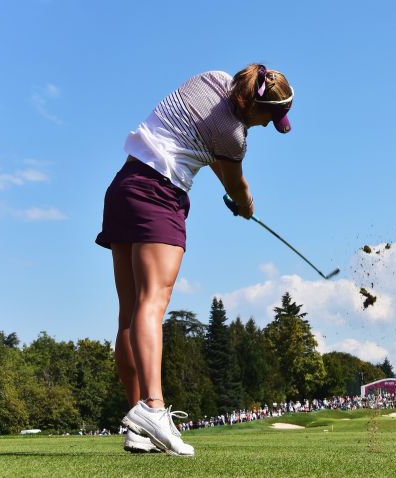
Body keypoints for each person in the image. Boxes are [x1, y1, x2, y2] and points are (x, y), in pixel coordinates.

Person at [96, 64, 294, 456]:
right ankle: (153, 408)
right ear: (257, 109)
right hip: (158, 195)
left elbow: (212, 148)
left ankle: (137, 425)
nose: (264, 127)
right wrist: (246, 206)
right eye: (269, 119)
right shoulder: (236, 136)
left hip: (124, 185)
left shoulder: (213, 78)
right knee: (152, 303)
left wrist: (237, 194)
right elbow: (235, 180)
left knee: (129, 313)